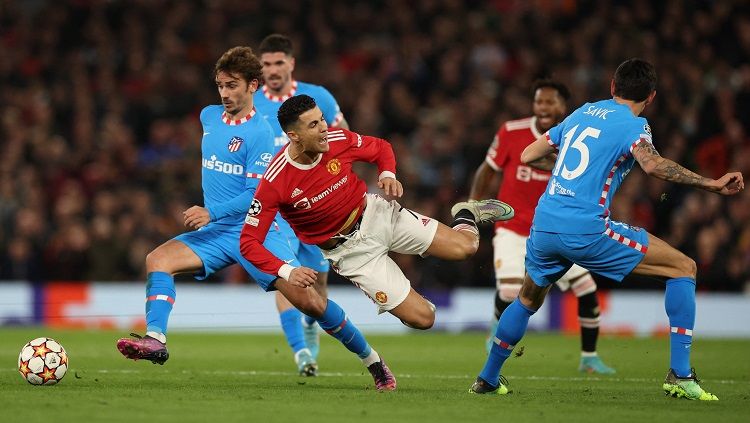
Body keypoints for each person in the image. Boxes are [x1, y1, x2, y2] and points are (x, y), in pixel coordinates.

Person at [115, 47, 390, 390]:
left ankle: (373, 361)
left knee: (312, 303)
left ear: (253, 86)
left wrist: (211, 210)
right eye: (220, 85)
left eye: (232, 86)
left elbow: (253, 195)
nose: (225, 93)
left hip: (256, 232)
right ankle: (155, 339)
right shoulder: (208, 117)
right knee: (158, 259)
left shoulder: (262, 132)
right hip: (217, 234)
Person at [470, 58, 743, 400]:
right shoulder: (634, 125)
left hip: (544, 225)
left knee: (526, 299)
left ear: (613, 87)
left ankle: (487, 378)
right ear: (652, 97)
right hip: (586, 230)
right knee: (683, 268)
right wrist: (711, 184)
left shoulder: (583, 111)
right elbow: (653, 165)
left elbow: (527, 155)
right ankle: (680, 374)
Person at [239, 94, 514, 338]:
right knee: (424, 319)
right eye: (314, 125)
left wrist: (387, 173)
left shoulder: (338, 139)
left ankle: (465, 212)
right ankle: (406, 299)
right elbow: (248, 242)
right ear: (293, 135)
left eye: (322, 120)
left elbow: (381, 147)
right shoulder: (275, 181)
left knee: (467, 247)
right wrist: (288, 271)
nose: (324, 129)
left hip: (376, 214)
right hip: (352, 254)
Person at [468, 79, 615, 374]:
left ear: (563, 106)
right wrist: (473, 206)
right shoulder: (512, 132)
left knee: (586, 288)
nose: (543, 108)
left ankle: (589, 357)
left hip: (554, 230)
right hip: (512, 227)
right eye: (539, 102)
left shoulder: (578, 137)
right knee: (510, 292)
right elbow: (488, 170)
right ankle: (496, 333)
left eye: (550, 102)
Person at [253, 34, 350, 372]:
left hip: (313, 208)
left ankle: (310, 324)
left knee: (318, 283)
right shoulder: (251, 104)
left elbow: (342, 138)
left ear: (291, 63)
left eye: (278, 62)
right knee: (286, 274)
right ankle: (301, 353)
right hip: (275, 208)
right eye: (266, 64)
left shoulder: (317, 97)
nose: (272, 70)